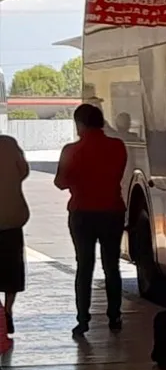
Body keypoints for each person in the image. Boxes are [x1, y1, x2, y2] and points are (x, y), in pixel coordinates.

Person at [54, 104, 129, 337]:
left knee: (84, 267)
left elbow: (60, 182)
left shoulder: (71, 150)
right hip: (112, 212)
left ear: (80, 124)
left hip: (82, 214)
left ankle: (83, 319)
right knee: (111, 266)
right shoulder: (118, 147)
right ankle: (114, 316)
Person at [0, 134, 30, 337]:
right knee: (12, 269)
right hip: (12, 218)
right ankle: (7, 311)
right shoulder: (9, 144)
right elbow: (23, 171)